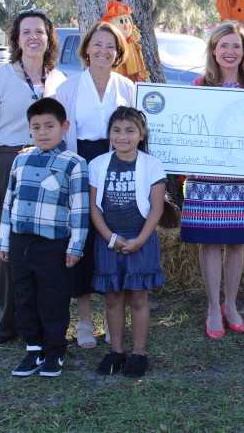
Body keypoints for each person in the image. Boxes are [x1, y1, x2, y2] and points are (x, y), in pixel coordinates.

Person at [0, 8, 66, 345]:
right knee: (3, 241)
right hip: (7, 163)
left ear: (48, 38)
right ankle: (6, 320)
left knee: (41, 245)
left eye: (39, 32)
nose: (33, 37)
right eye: (26, 32)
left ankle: (39, 320)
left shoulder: (59, 81)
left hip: (47, 165)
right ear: (16, 39)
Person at [179, 21, 244, 340]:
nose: (230, 52)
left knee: (236, 242)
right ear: (213, 50)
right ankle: (213, 307)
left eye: (236, 46)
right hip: (206, 177)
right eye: (224, 45)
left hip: (241, 178)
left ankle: (231, 304)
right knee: (210, 241)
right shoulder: (199, 86)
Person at [55, 21, 135, 348]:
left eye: (110, 47)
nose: (103, 51)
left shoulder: (127, 88)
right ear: (86, 48)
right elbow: (59, 137)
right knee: (84, 240)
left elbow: (134, 132)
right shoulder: (67, 88)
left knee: (111, 238)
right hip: (81, 165)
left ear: (118, 53)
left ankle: (112, 314)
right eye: (97, 45)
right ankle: (85, 318)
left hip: (116, 166)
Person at [0, 98, 89, 377]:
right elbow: (8, 203)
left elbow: (79, 209)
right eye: (36, 127)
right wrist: (4, 240)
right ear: (29, 130)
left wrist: (75, 247)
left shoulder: (73, 163)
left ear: (64, 127)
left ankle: (54, 351)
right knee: (25, 296)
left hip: (54, 245)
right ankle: (33, 350)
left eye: (49, 126)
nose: (43, 132)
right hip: (21, 242)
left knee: (53, 298)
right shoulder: (21, 159)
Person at [89, 107, 166, 377]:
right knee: (112, 298)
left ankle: (139, 354)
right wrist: (111, 238)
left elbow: (156, 208)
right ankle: (116, 352)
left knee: (138, 298)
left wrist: (139, 241)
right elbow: (94, 208)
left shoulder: (152, 164)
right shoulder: (98, 164)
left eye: (130, 131)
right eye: (116, 131)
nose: (122, 137)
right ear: (109, 133)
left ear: (141, 134)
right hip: (109, 239)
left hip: (140, 239)